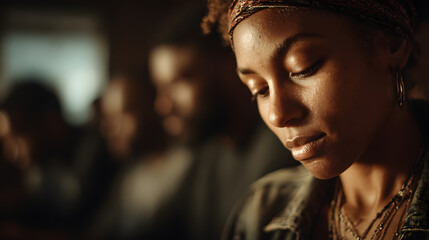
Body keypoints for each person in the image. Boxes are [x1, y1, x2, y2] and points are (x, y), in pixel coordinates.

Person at [202, 0, 429, 239]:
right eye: (260, 90)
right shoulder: (259, 215)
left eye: (304, 68)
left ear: (390, 43)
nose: (277, 115)